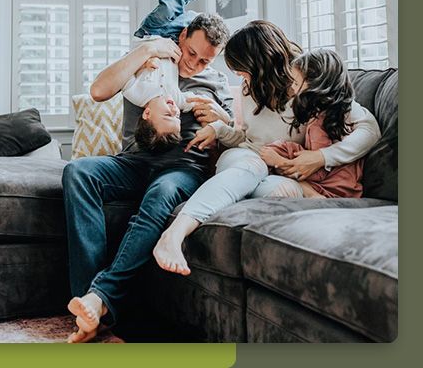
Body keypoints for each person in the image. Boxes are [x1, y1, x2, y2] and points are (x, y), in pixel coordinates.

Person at [62, 0, 233, 343]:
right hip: (134, 161)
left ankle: (99, 300)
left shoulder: (216, 82)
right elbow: (98, 91)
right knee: (78, 172)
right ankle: (89, 303)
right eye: (192, 54)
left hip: (183, 167)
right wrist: (147, 50)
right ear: (182, 36)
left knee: (162, 193)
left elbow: (237, 135)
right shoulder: (152, 60)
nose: (195, 65)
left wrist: (221, 118)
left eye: (205, 61)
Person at [152, 20, 381, 276]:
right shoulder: (250, 88)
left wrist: (321, 157)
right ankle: (175, 233)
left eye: (242, 70)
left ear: (259, 63)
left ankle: (205, 209)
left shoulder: (307, 80)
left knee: (273, 190)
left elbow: (370, 130)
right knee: (252, 167)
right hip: (247, 158)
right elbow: (247, 140)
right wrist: (219, 129)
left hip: (278, 173)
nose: (239, 77)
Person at [257, 48, 365, 199]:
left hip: (333, 190)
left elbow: (317, 173)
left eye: (295, 82)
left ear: (314, 84)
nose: (293, 89)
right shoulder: (336, 115)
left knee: (278, 162)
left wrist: (278, 161)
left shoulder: (319, 125)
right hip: (348, 187)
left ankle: (314, 197)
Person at [122, 0, 213, 151]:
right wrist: (223, 119)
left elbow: (125, 68)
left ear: (147, 114)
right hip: (172, 41)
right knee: (196, 22)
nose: (174, 110)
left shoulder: (135, 93)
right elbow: (199, 102)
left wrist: (142, 63)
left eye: (167, 115)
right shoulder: (177, 99)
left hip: (150, 33)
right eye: (177, 117)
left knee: (168, 7)